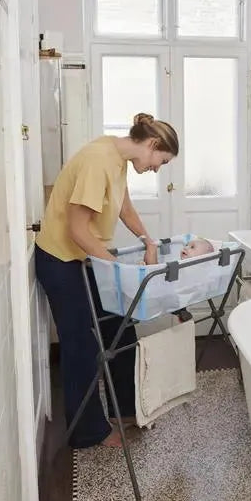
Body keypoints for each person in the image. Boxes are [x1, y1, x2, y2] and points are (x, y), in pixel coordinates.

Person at [34, 113, 179, 448]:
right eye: (162, 161)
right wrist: (116, 268)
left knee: (120, 325)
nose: (157, 169)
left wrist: (148, 241)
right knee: (81, 345)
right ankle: (88, 432)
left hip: (81, 257)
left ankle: (124, 409)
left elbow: (124, 208)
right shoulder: (98, 160)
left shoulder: (117, 159)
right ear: (153, 144)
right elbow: (77, 229)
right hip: (59, 260)